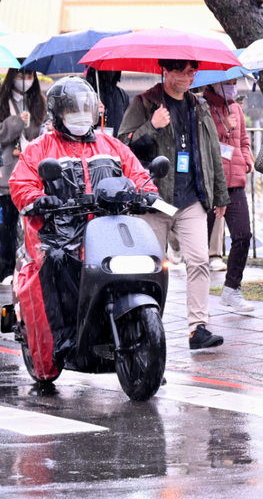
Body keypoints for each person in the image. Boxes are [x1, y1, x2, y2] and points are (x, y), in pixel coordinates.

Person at [10, 77, 158, 379]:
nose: (80, 116)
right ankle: (61, 343)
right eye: (71, 110)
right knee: (56, 264)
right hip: (59, 234)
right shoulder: (40, 148)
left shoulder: (111, 144)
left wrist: (148, 191)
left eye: (84, 110)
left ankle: (142, 346)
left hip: (108, 230)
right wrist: (39, 199)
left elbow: (137, 173)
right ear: (57, 114)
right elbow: (21, 184)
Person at [118, 59, 230, 350]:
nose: (190, 75)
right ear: (165, 71)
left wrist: (220, 195)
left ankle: (198, 328)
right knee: (152, 267)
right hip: (154, 199)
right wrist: (152, 127)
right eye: (182, 70)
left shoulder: (200, 106)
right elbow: (123, 146)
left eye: (193, 70)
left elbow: (212, 152)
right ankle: (147, 328)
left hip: (190, 197)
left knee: (200, 262)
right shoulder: (144, 103)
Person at [204, 79, 254, 312]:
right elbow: (203, 145)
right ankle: (198, 295)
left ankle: (232, 288)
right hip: (210, 183)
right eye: (227, 83)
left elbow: (244, 141)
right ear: (214, 83)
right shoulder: (201, 107)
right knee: (199, 243)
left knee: (243, 235)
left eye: (234, 82)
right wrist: (223, 127)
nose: (232, 87)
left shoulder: (237, 108)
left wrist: (246, 160)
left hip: (234, 181)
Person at [0, 69, 45, 281]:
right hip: (7, 175)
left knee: (33, 226)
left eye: (29, 75)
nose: (26, 80)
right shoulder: (2, 100)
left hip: (32, 174)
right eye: (21, 75)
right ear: (13, 76)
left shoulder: (39, 101)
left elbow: (41, 135)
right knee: (7, 229)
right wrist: (16, 121)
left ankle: (31, 272)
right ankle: (7, 272)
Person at [86, 68, 130, 137]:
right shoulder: (86, 95)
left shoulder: (122, 95)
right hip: (94, 145)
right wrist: (92, 117)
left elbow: (127, 129)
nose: (111, 70)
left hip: (116, 146)